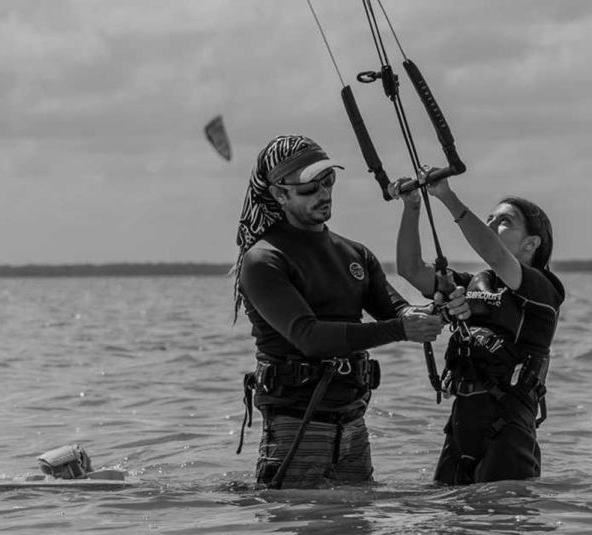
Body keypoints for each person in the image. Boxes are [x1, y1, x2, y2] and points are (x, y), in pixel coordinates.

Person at [233, 135, 468, 489]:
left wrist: (441, 310)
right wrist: (402, 329)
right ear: (280, 194)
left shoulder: (355, 254)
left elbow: (398, 311)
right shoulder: (263, 260)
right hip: (297, 426)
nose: (323, 193)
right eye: (309, 187)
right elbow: (309, 337)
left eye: (328, 181)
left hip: (353, 423)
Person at [389, 170, 565, 484]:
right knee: (448, 520)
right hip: (461, 422)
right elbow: (410, 269)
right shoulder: (473, 283)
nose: (491, 225)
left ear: (531, 243)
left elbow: (495, 255)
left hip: (508, 427)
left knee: (501, 525)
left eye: (504, 221)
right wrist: (412, 206)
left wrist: (446, 195)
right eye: (490, 218)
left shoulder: (542, 289)